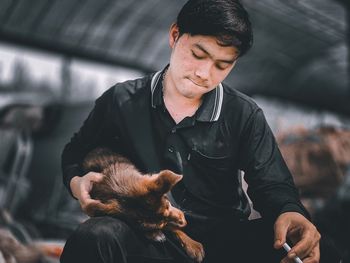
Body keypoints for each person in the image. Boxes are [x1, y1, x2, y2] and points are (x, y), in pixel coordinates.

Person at [60, 0, 321, 262]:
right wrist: (77, 182)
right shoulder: (121, 100)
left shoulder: (243, 114)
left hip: (225, 246)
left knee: (305, 246)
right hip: (150, 238)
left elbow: (273, 183)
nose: (204, 74)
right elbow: (76, 152)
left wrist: (290, 211)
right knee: (94, 237)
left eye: (222, 65)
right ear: (175, 35)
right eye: (198, 54)